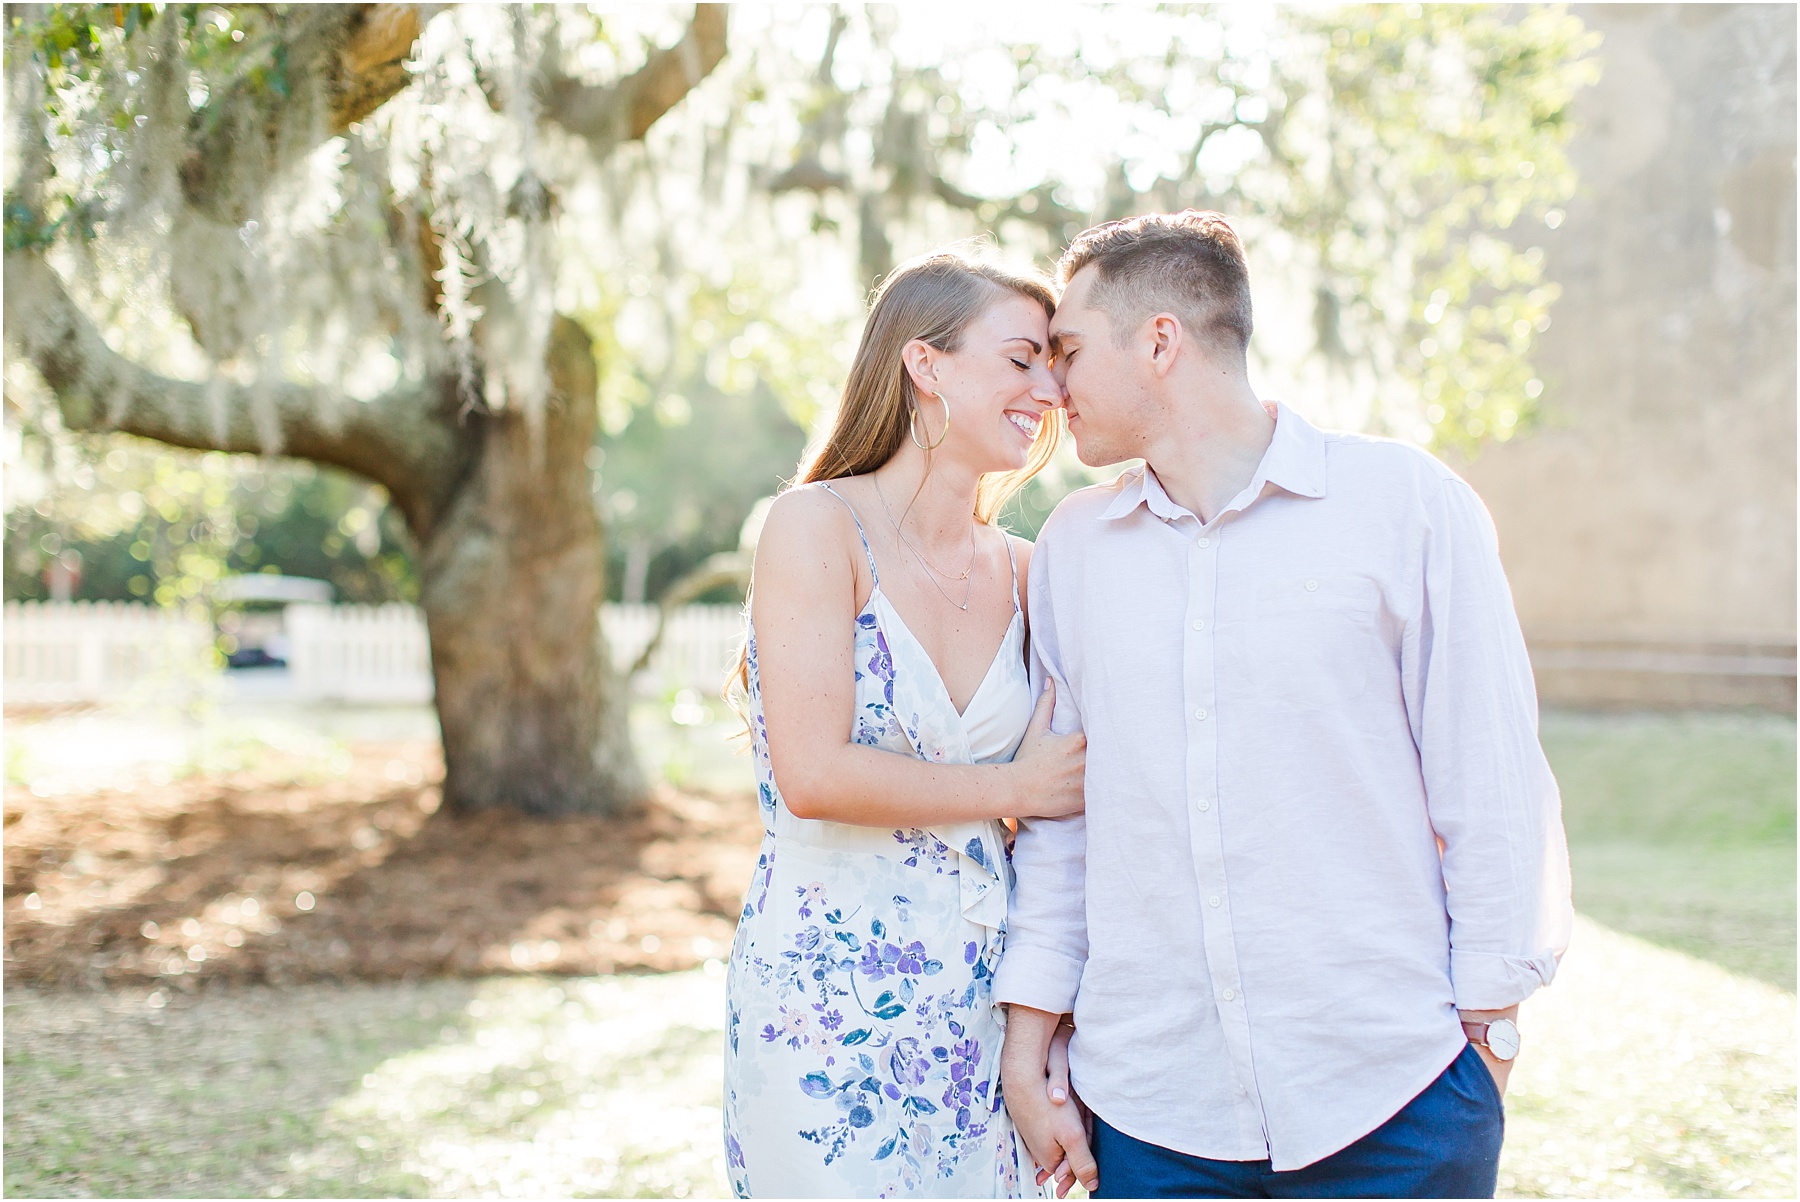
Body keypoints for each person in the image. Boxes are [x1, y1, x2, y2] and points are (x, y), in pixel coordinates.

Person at [995, 211, 1574, 1199]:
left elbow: (1490, 777)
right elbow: (1065, 815)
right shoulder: (1076, 547)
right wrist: (1032, 1028)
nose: (1050, 387)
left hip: (1396, 1101)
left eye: (1069, 351)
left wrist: (1490, 1026)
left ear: (1162, 341)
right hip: (1150, 1114)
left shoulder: (1406, 503)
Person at [723, 248, 1089, 1198]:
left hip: (984, 992)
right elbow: (814, 774)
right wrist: (1011, 789)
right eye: (1021, 359)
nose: (1048, 388)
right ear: (926, 366)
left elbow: (1071, 800)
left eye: (1055, 363)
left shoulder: (1026, 567)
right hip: (825, 990)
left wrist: (1047, 1023)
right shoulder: (815, 527)